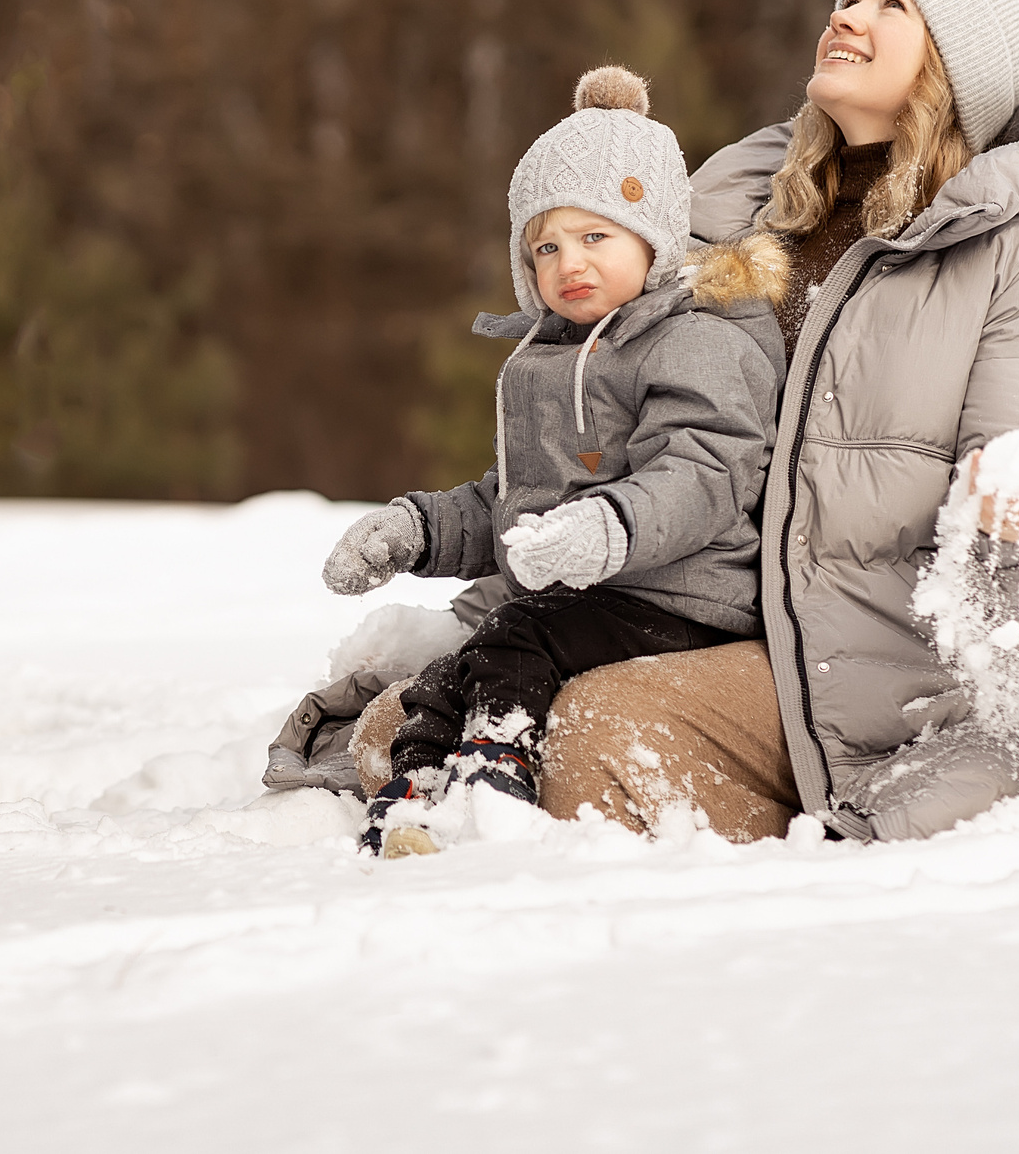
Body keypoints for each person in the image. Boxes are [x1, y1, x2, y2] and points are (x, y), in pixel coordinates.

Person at [531, 0, 1019, 843]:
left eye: (893, 5)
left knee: (598, 728)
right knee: (407, 726)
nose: (847, 16)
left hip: (870, 665)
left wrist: (1018, 496)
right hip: (700, 607)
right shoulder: (740, 225)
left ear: (958, 68)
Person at [317, 65, 787, 856]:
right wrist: (420, 529)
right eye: (547, 245)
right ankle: (418, 797)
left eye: (596, 236)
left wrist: (608, 527)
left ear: (655, 239)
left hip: (681, 597)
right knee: (454, 669)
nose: (570, 262)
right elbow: (517, 501)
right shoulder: (548, 360)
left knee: (509, 641)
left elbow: (707, 471)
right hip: (584, 601)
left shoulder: (697, 340)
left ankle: (490, 785)